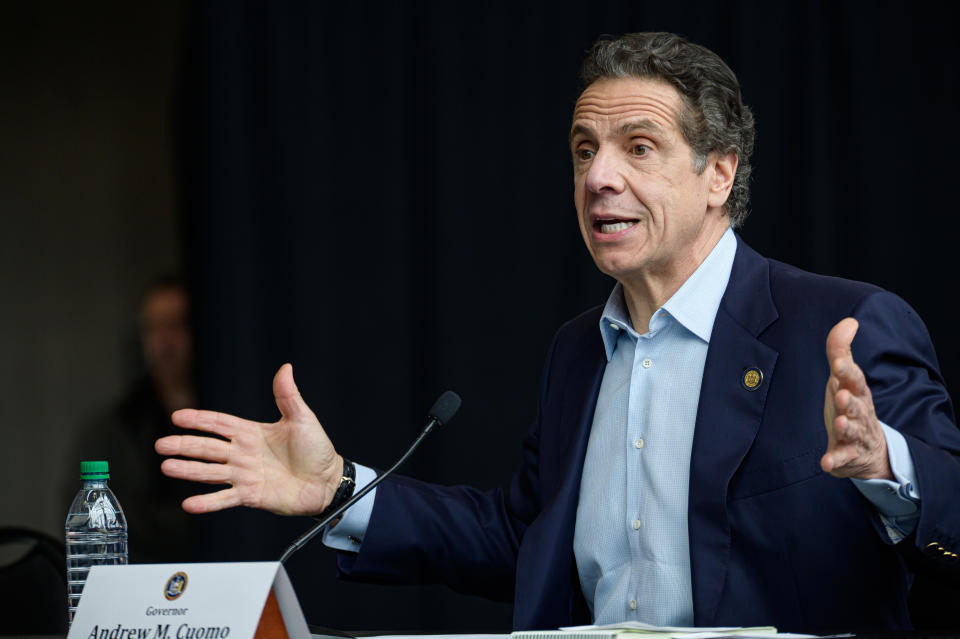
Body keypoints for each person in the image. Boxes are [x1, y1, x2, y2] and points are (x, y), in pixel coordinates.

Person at [155, 33, 960, 633]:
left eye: (637, 147)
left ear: (719, 172)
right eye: (585, 151)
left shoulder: (840, 326)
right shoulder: (578, 351)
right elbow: (520, 539)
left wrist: (888, 466)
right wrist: (339, 486)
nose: (598, 176)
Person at [69, 277, 202, 563]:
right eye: (155, 327)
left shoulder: (230, 418)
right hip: (139, 581)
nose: (165, 340)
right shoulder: (113, 428)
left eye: (176, 324)